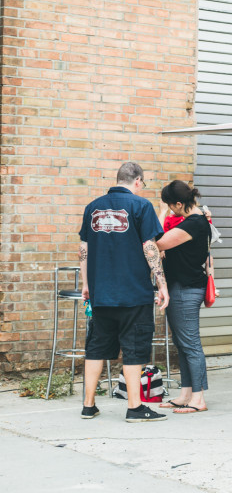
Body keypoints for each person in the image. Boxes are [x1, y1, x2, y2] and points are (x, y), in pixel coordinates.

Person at [79, 162, 169, 422]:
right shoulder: (141, 206)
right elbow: (150, 247)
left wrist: (87, 284)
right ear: (138, 181)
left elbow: (83, 249)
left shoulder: (92, 207)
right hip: (134, 293)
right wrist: (162, 284)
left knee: (95, 348)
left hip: (101, 293)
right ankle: (134, 408)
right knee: (134, 349)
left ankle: (88, 405)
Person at [155, 180, 212, 414]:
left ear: (179, 203)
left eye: (170, 205)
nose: (169, 209)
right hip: (181, 287)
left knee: (191, 344)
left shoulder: (194, 223)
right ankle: (186, 393)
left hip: (186, 288)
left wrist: (160, 213)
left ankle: (198, 399)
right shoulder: (195, 221)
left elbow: (157, 242)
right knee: (182, 344)